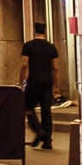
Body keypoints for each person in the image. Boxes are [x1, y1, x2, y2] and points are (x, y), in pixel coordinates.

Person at [20, 21, 60, 150]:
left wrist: (21, 80)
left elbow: (24, 64)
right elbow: (55, 68)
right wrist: (55, 85)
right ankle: (47, 141)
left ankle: (39, 131)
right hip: (47, 82)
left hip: (33, 82)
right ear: (45, 31)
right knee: (46, 111)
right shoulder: (51, 47)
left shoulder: (28, 46)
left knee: (28, 108)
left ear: (34, 31)